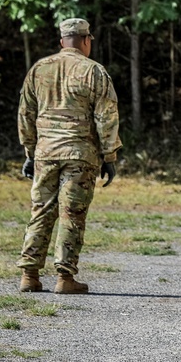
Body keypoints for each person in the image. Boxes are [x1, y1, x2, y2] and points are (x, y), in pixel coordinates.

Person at [16, 18, 121, 295]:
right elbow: (106, 116)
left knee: (41, 210)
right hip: (80, 154)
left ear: (62, 41)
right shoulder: (94, 71)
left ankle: (29, 274)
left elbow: (25, 113)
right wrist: (109, 155)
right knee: (71, 214)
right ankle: (64, 278)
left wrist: (30, 151)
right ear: (86, 40)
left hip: (46, 153)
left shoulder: (39, 69)